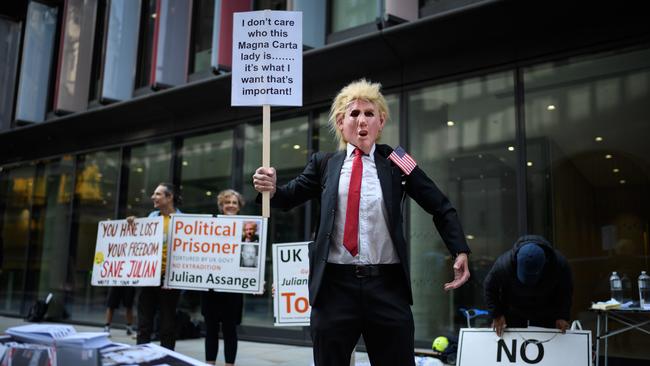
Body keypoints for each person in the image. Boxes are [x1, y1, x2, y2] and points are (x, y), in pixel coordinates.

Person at [253, 79, 471, 366]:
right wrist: (268, 187)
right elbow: (286, 198)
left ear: (381, 122)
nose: (362, 121)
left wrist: (460, 250)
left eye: (370, 114)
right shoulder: (324, 163)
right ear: (341, 123)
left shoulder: (397, 159)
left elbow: (440, 205)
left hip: (387, 287)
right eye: (353, 114)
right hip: (334, 288)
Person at [483, 234, 573, 337]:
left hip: (546, 309)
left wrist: (562, 315)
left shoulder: (559, 264)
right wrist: (497, 314)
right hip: (513, 309)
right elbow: (489, 287)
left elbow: (566, 290)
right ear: (516, 262)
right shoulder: (504, 265)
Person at [129, 183, 182, 350]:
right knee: (144, 323)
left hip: (169, 279)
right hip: (148, 276)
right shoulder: (151, 217)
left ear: (169, 197)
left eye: (158, 194)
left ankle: (167, 358)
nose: (153, 197)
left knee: (167, 325)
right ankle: (141, 357)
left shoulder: (184, 221)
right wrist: (132, 225)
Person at [202, 189, 245, 366]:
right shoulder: (210, 225)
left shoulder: (246, 227)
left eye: (234, 203)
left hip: (233, 288)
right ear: (221, 206)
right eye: (227, 202)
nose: (231, 205)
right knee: (211, 329)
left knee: (230, 330)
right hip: (211, 287)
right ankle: (209, 363)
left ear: (239, 207)